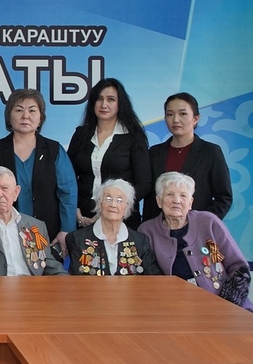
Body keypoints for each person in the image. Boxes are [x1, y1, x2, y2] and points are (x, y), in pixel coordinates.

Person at [139, 172, 252, 311]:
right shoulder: (147, 231)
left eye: (183, 195)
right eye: (169, 194)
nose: (176, 200)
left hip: (226, 305)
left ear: (190, 203)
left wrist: (227, 305)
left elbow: (239, 267)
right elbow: (149, 280)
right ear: (159, 201)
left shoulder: (208, 222)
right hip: (176, 310)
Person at [0, 89, 77, 255]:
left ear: (40, 118)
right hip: (2, 235)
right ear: (9, 116)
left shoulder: (53, 150)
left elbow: (68, 192)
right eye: (19, 110)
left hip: (47, 235)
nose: (25, 116)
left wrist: (66, 230)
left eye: (32, 110)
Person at [68, 78, 151, 230]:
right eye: (99, 99)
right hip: (82, 218)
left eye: (111, 99)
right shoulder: (81, 135)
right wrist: (75, 211)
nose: (104, 104)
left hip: (121, 218)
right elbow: (68, 178)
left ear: (120, 104)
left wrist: (115, 207)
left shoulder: (133, 136)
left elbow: (144, 183)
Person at [0, 166, 66, 276]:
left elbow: (48, 264)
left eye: (5, 188)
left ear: (16, 192)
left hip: (31, 285)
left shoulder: (36, 226)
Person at [143, 92, 232, 221]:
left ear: (196, 118)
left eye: (183, 114)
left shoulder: (211, 152)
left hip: (196, 228)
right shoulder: (154, 153)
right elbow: (149, 197)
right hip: (158, 228)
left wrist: (201, 223)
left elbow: (224, 198)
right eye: (170, 114)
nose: (175, 120)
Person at [65, 178, 160, 276]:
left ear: (127, 207)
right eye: (108, 199)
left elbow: (152, 277)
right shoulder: (78, 238)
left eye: (120, 200)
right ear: (99, 203)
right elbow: (77, 280)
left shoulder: (140, 241)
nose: (113, 205)